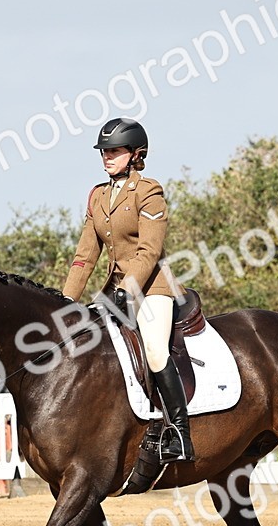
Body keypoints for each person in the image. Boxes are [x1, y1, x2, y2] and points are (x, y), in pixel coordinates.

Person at [61, 117, 195, 463]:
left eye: (115, 151)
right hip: (115, 291)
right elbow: (84, 256)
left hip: (152, 288)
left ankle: (179, 433)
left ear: (136, 154)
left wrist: (128, 288)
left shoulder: (149, 192)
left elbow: (149, 251)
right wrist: (64, 301)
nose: (107, 156)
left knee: (153, 349)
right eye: (104, 151)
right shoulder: (98, 196)